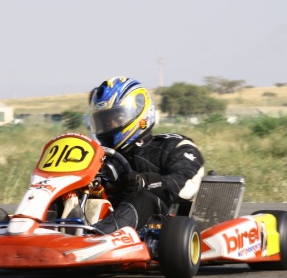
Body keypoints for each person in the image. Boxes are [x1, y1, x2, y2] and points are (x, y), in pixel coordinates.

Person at [87, 76, 205, 234]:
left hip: (162, 226)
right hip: (108, 215)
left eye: (116, 119)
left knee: (143, 196)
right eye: (104, 121)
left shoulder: (172, 146)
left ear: (139, 113)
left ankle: (95, 236)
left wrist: (145, 181)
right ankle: (52, 230)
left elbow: (185, 185)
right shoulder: (102, 155)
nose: (110, 125)